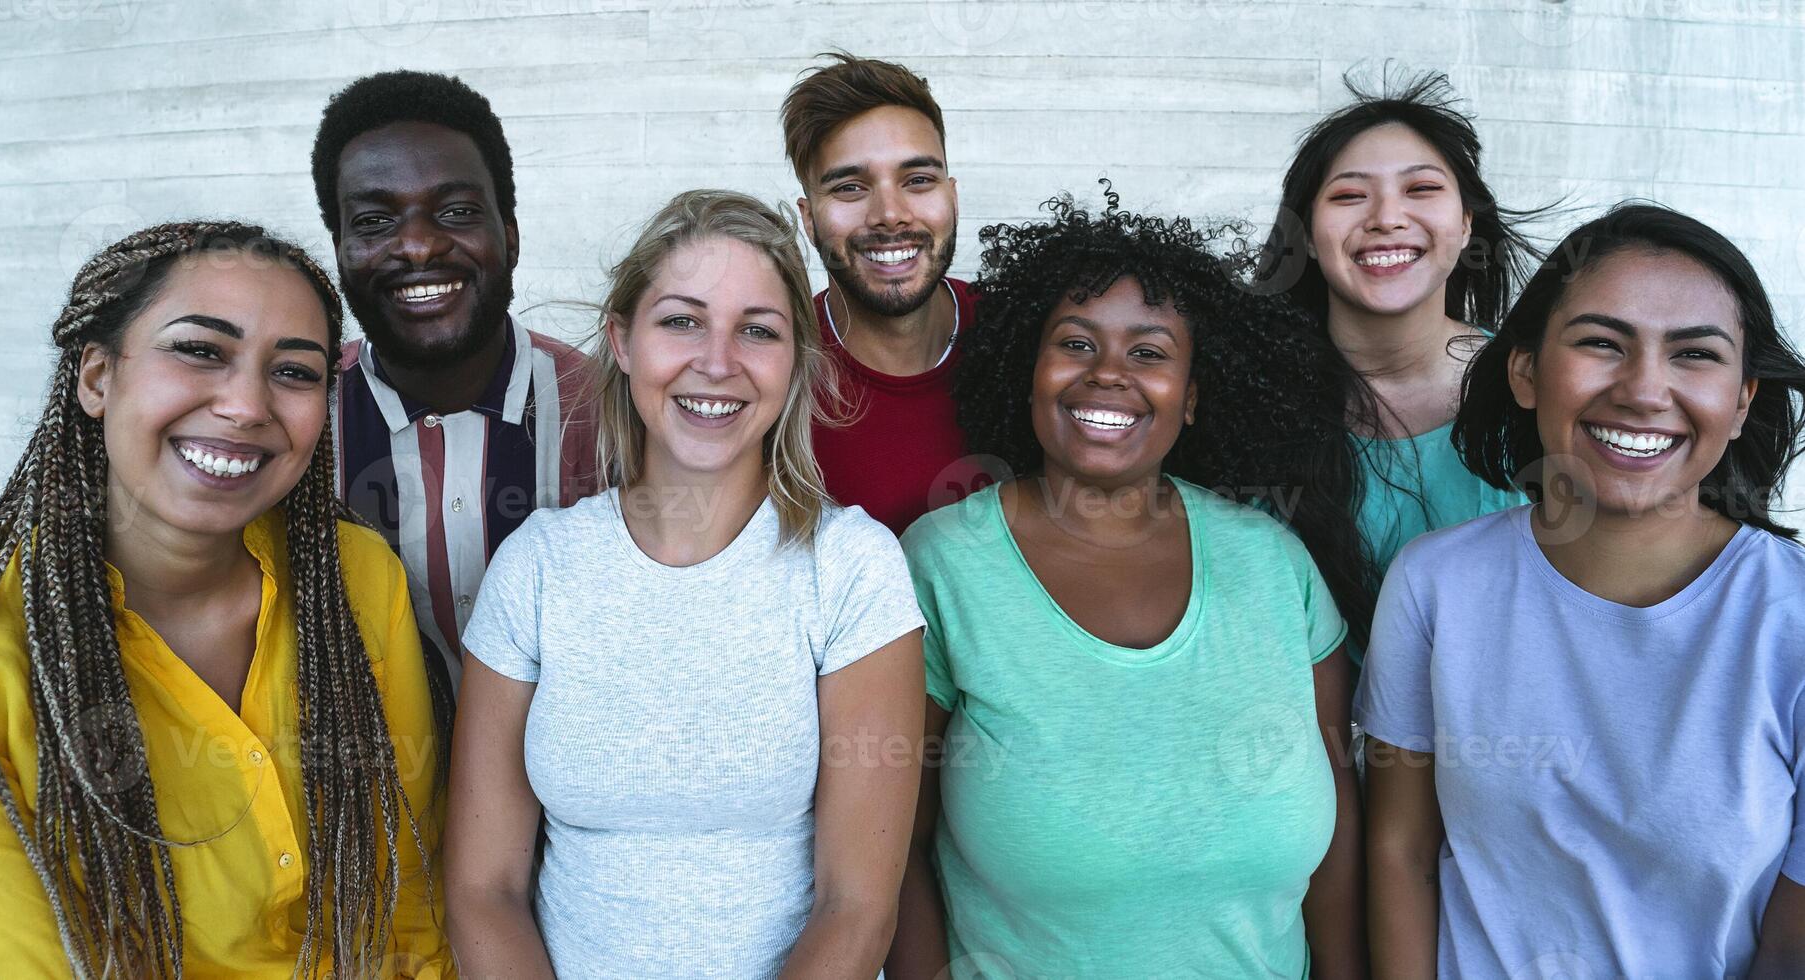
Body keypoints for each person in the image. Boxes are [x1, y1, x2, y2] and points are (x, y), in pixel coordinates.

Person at [444, 190, 926, 978]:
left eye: (758, 331)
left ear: (792, 363)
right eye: (681, 320)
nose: (717, 360)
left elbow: (858, 908)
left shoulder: (851, 569)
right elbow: (483, 886)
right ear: (622, 341)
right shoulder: (537, 567)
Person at [888, 189, 1369, 978]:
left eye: (1148, 353)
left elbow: (1336, 809)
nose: (1108, 375)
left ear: (1193, 396)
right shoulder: (943, 563)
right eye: (1075, 344)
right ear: (1027, 370)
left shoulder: (1274, 565)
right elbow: (892, 841)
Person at [0, 222, 450, 977]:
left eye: (293, 372)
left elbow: (408, 892)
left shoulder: (358, 579)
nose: (247, 405)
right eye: (199, 351)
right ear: (96, 377)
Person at [1360, 204, 1805, 976]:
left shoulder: (1790, 621)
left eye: (1693, 354)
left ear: (1741, 402)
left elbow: (1792, 945)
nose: (1642, 389)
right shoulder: (1435, 583)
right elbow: (1402, 850)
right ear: (1525, 371)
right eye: (1602, 342)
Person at [311, 70, 597, 688]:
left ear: (510, 238)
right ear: (338, 249)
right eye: (374, 221)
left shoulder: (607, 409)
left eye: (457, 210)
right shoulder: (297, 414)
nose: (416, 246)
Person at [1259, 69, 1534, 601]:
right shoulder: (1249, 397)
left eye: (1422, 189)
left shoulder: (1533, 391)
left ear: (1466, 223)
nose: (1387, 217)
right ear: (1308, 237)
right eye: (1349, 196)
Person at [781, 53, 989, 535]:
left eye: (917, 181)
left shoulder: (1030, 342)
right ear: (808, 217)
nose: (890, 214)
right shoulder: (773, 374)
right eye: (851, 188)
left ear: (952, 198)